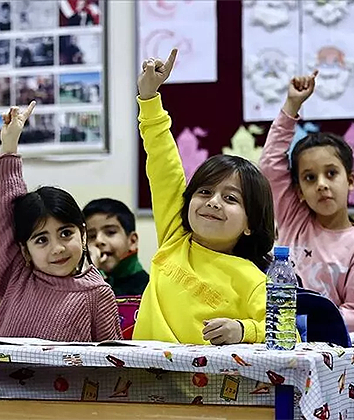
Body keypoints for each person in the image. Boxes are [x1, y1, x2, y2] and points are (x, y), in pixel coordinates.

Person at [132, 49, 275, 345]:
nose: (213, 202)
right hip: (140, 382)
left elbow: (290, 335)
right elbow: (163, 164)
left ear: (250, 224)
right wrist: (149, 99)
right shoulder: (175, 237)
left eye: (231, 199)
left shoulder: (252, 279)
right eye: (205, 191)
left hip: (202, 390)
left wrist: (243, 330)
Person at [258, 70, 354, 333]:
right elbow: (269, 165)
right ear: (299, 191)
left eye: (331, 174)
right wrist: (291, 106)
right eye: (310, 178)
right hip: (283, 339)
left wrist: (306, 325)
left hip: (332, 349)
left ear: (351, 180)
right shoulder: (292, 217)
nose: (321, 184)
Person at [0, 102, 121, 342]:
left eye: (66, 233)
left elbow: (112, 364)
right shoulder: (17, 276)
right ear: (25, 250)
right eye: (41, 240)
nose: (57, 248)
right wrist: (9, 147)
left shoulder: (97, 294)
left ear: (83, 234)